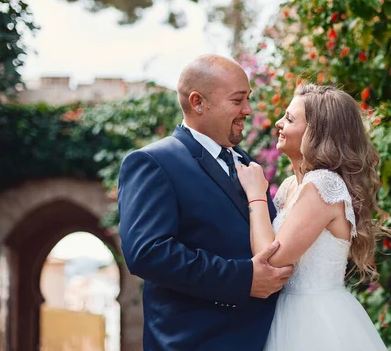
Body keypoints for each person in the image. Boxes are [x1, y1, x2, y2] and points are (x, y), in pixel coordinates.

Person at [118, 55, 294, 350]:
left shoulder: (247, 164)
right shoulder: (153, 162)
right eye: (237, 101)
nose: (248, 110)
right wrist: (244, 279)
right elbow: (147, 253)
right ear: (198, 102)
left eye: (247, 99)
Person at [237, 84, 391, 350]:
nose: (278, 123)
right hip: (284, 312)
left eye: (289, 119)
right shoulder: (290, 186)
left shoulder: (323, 184)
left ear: (317, 132)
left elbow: (270, 259)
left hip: (314, 320)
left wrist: (256, 195)